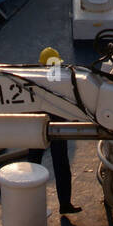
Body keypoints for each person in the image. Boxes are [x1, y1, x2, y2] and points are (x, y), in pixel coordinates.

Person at [27, 47, 80, 214]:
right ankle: (64, 204)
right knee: (61, 166)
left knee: (33, 166)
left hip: (37, 127)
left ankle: (28, 203)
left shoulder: (33, 79)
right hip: (56, 127)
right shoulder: (60, 79)